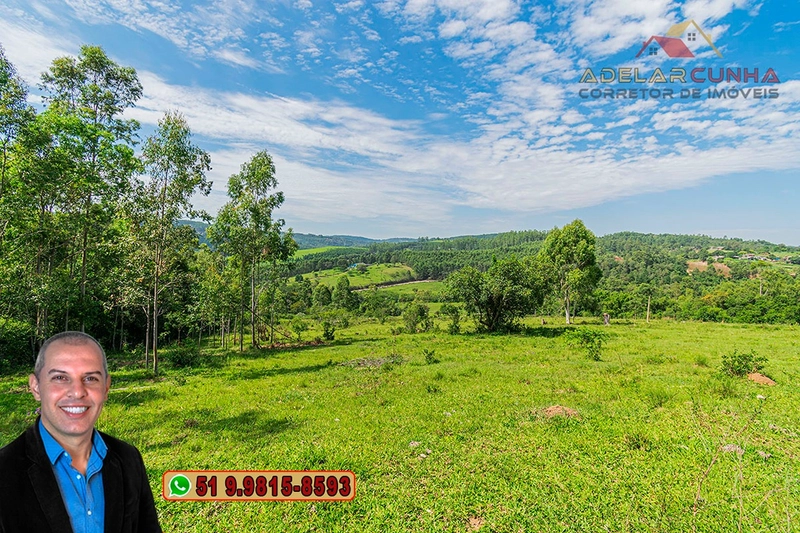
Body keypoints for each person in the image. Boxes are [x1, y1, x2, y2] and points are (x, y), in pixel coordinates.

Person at [0, 331, 161, 533]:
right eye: (60, 377)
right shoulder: (4, 471)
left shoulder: (128, 458)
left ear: (106, 387)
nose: (77, 392)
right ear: (36, 387)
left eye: (91, 378)